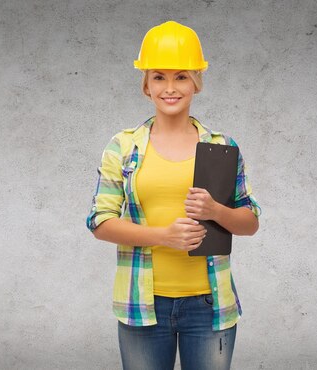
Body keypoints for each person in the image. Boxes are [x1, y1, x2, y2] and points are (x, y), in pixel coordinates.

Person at [86, 20, 261, 370]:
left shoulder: (221, 147)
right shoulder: (124, 147)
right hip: (143, 303)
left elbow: (250, 221)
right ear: (146, 85)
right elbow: (100, 221)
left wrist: (215, 209)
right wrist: (163, 236)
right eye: (159, 77)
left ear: (195, 83)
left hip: (209, 305)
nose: (170, 87)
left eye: (181, 76)